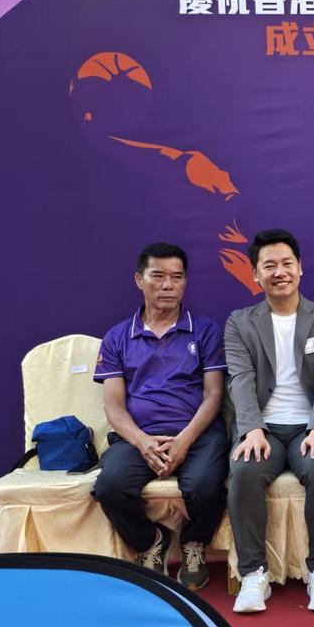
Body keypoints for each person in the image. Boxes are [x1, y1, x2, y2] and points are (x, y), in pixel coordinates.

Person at [223, 229, 314, 613]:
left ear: (300, 268)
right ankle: (253, 574)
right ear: (255, 274)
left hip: (311, 424)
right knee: (244, 470)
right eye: (269, 266)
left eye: (287, 263)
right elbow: (240, 379)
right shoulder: (240, 322)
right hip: (264, 427)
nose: (280, 272)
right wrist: (251, 429)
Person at [92, 242, 229, 588]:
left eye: (177, 277)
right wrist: (142, 442)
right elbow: (114, 406)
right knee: (110, 487)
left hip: (198, 433)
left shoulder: (205, 331)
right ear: (139, 280)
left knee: (207, 486)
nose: (168, 285)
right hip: (138, 435)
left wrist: (184, 440)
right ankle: (150, 541)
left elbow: (214, 395)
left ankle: (194, 542)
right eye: (158, 276)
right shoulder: (117, 337)